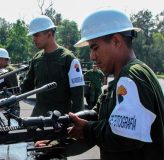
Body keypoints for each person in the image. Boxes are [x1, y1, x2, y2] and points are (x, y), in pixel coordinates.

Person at [68, 9, 164, 160]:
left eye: (95, 48)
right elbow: (98, 117)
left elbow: (124, 135)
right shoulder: (120, 81)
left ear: (116, 41)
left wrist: (87, 129)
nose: (92, 56)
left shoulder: (131, 76)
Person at [20, 15, 85, 117]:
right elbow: (26, 86)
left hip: (61, 118)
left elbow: (78, 97)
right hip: (38, 117)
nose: (33, 39)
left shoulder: (69, 59)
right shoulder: (36, 59)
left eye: (36, 35)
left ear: (49, 34)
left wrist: (76, 123)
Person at [0, 48, 20, 116]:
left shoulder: (8, 71)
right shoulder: (4, 69)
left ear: (3, 59)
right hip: (6, 104)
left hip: (10, 107)